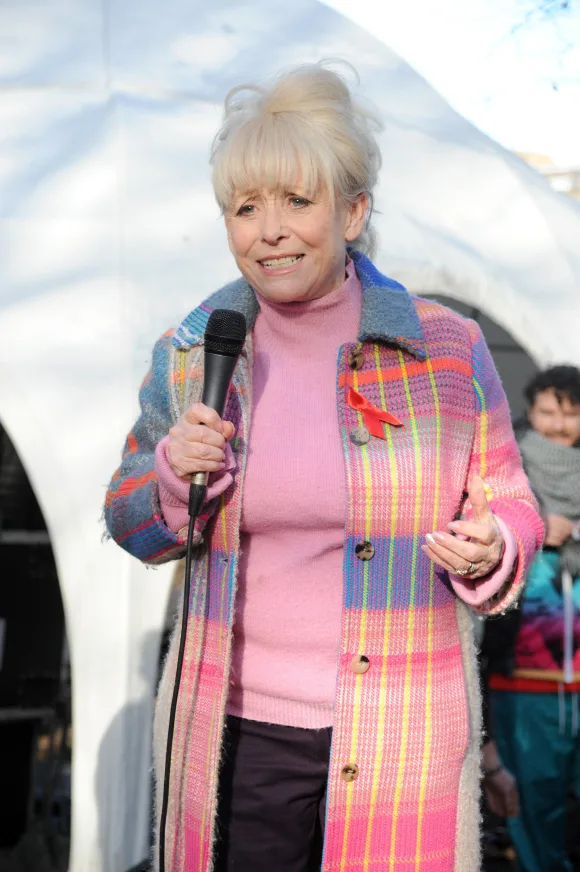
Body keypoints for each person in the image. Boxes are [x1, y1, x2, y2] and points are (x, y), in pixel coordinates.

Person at [104, 63, 543, 872]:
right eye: (245, 208)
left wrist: (495, 545)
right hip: (237, 737)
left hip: (403, 727)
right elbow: (128, 515)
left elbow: (514, 504)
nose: (269, 231)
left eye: (297, 202)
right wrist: (168, 474)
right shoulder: (193, 352)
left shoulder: (447, 350)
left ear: (353, 211)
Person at [483, 365, 580, 872]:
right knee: (532, 795)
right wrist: (535, 528)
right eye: (547, 412)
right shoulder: (508, 468)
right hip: (526, 672)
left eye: (571, 413)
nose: (559, 425)